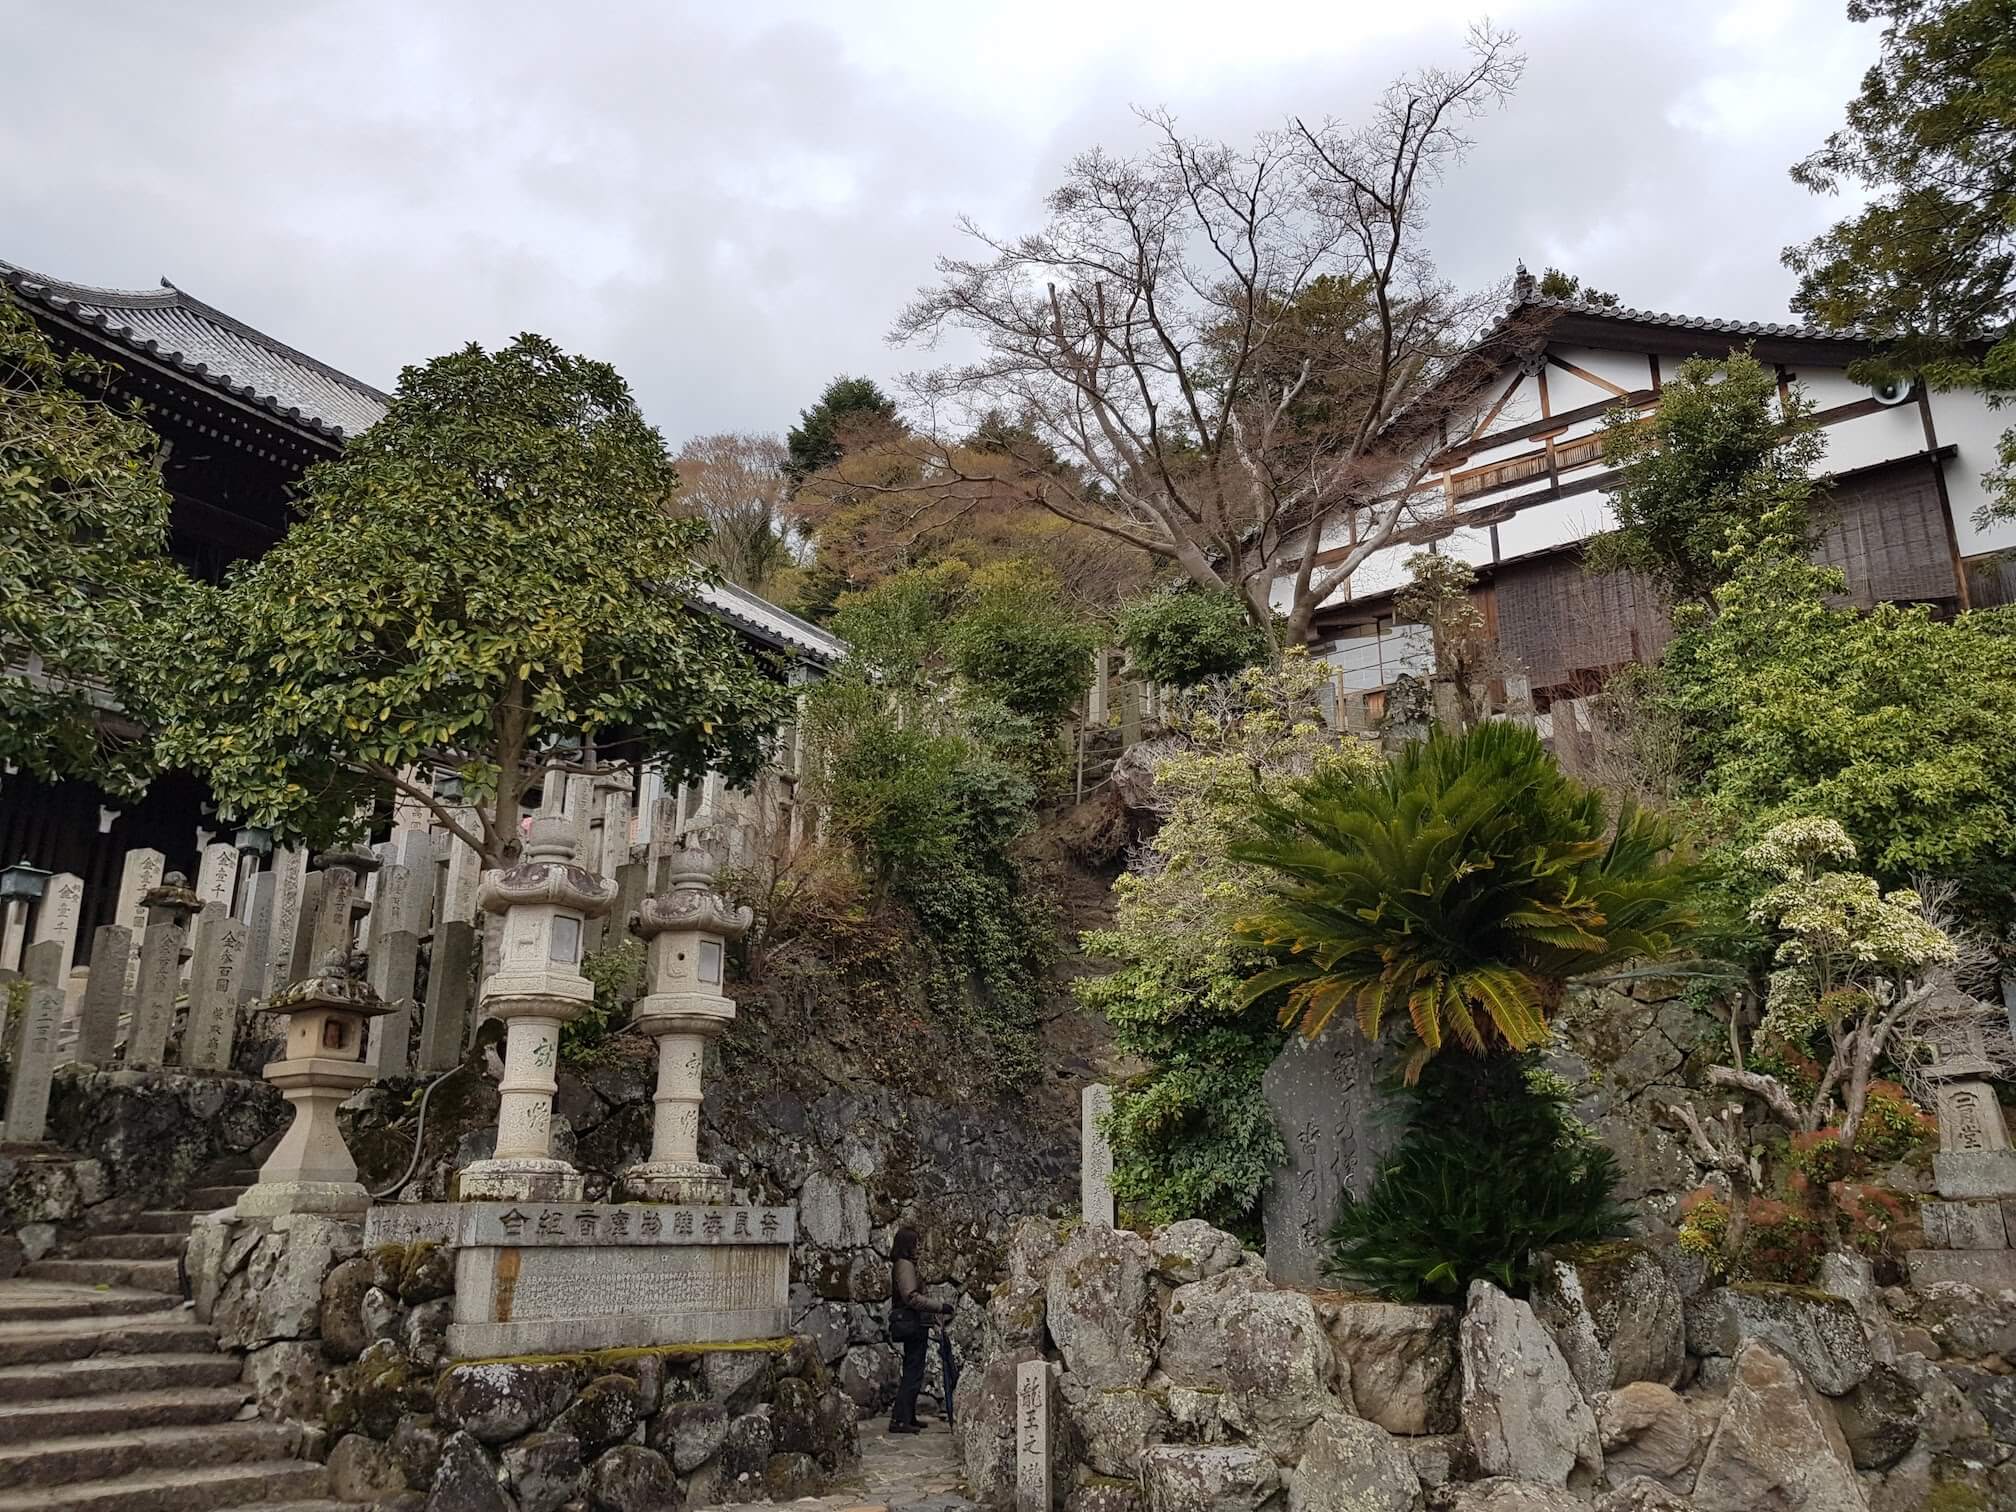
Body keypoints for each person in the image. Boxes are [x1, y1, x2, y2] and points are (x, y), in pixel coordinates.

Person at [887, 1226, 952, 1434]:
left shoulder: (904, 1264)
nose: (919, 1248)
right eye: (915, 1243)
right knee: (912, 1373)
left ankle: (907, 1417)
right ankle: (899, 1420)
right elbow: (911, 1297)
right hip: (912, 1324)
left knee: (913, 1371)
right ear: (907, 1245)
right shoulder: (905, 1265)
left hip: (915, 1324)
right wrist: (939, 1307)